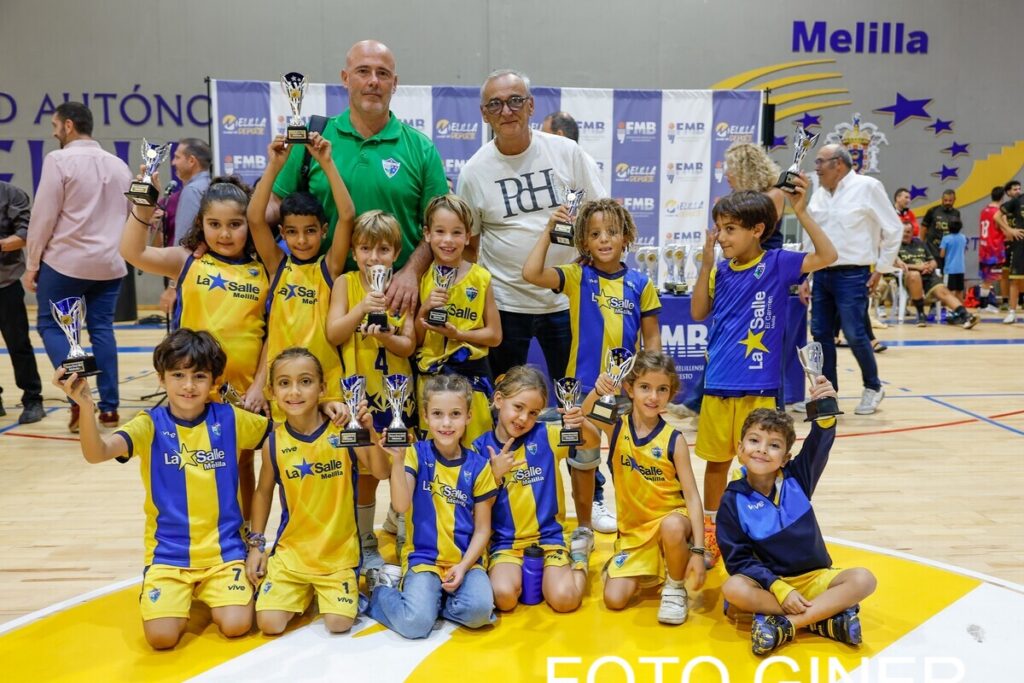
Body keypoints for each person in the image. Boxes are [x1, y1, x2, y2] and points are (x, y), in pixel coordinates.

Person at [52, 329, 270, 649]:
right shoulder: (149, 424)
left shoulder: (231, 418)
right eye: (178, 375)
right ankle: (172, 592)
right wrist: (85, 405)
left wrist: (323, 411)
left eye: (199, 376)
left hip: (224, 554)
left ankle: (209, 590)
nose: (188, 385)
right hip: (168, 555)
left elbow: (284, 438)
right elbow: (96, 452)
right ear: (161, 378)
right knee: (161, 638)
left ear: (213, 381)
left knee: (237, 626)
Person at [691, 180, 837, 569]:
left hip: (758, 387)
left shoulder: (777, 263)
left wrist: (801, 211)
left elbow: (828, 254)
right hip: (717, 384)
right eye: (719, 229)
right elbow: (697, 313)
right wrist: (706, 264)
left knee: (760, 465)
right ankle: (710, 532)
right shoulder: (719, 268)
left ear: (757, 230)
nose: (721, 237)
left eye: (729, 229)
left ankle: (760, 530)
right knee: (716, 465)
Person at [122, 177, 269, 518]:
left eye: (235, 224)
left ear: (251, 224)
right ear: (200, 224)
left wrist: (261, 384)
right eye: (214, 224)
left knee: (243, 462)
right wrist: (145, 202)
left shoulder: (265, 269)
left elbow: (271, 335)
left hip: (245, 390)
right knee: (198, 463)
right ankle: (203, 529)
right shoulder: (187, 260)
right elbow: (132, 252)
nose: (225, 234)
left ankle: (245, 533)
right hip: (195, 386)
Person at [270, 39, 448, 315]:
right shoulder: (311, 138)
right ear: (345, 78)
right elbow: (273, 206)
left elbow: (437, 229)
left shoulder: (422, 149)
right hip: (322, 294)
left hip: (394, 298)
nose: (373, 81)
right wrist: (217, 233)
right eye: (363, 71)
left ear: (395, 83)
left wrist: (411, 272)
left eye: (383, 73)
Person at [523, 197, 661, 546]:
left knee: (626, 461)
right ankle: (583, 526)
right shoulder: (576, 276)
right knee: (583, 462)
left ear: (626, 237)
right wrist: (549, 231)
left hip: (625, 394)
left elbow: (653, 340)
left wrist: (651, 386)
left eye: (612, 232)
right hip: (582, 392)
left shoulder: (641, 283)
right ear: (583, 240)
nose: (604, 239)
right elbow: (531, 273)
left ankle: (634, 524)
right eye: (595, 233)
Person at [458, 69, 606, 383]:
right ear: (485, 115)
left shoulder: (567, 153)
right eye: (495, 105)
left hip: (567, 301)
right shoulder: (473, 172)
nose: (507, 111)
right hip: (505, 302)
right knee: (505, 396)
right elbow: (469, 244)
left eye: (515, 101)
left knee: (577, 395)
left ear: (531, 106)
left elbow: (600, 214)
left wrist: (596, 269)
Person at [718, 379, 877, 656]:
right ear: (740, 449)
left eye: (774, 445)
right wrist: (779, 588)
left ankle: (787, 624)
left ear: (785, 457)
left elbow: (820, 442)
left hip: (814, 578)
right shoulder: (732, 500)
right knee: (733, 589)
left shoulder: (798, 478)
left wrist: (825, 405)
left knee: (865, 579)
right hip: (771, 584)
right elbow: (738, 561)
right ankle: (824, 618)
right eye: (754, 441)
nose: (762, 449)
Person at [246, 348, 388, 636]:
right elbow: (262, 493)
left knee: (339, 624)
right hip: (292, 554)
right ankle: (304, 591)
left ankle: (331, 591)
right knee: (269, 624)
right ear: (272, 391)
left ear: (322, 388)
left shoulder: (344, 432)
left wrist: (369, 431)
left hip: (338, 557)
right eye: (285, 383)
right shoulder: (273, 443)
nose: (295, 391)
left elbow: (382, 472)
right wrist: (256, 545)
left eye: (306, 381)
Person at [23, 102, 132, 432]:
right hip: (110, 264)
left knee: (53, 327)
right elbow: (131, 216)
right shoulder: (119, 165)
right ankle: (110, 409)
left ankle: (78, 400)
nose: (54, 131)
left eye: (55, 125)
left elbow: (43, 217)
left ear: (69, 125)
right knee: (102, 330)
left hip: (66, 263)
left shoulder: (58, 160)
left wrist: (31, 264)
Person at [367, 374, 498, 640]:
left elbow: (483, 530)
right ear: (425, 416)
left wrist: (462, 568)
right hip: (423, 559)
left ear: (469, 417)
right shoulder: (416, 453)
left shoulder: (479, 466)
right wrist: (397, 460)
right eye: (437, 414)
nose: (446, 422)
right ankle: (379, 592)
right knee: (415, 625)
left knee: (480, 612)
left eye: (455, 414)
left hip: (465, 562)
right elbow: (402, 505)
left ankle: (429, 604)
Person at [581, 351, 707, 625]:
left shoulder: (675, 440)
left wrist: (699, 550)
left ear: (671, 393)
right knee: (614, 600)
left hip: (671, 522)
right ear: (629, 389)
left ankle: (675, 586)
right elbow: (587, 412)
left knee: (672, 527)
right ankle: (657, 562)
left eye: (662, 389)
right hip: (634, 535)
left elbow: (694, 499)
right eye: (645, 387)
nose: (653, 397)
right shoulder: (616, 427)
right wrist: (598, 389)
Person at [537, 110, 615, 535]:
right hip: (526, 298)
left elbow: (603, 212)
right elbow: (533, 272)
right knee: (554, 417)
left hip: (569, 306)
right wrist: (549, 232)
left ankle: (596, 501)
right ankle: (535, 505)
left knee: (592, 428)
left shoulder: (578, 167)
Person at [326, 209, 418, 570]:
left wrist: (388, 335)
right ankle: (365, 540)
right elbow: (334, 333)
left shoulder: (401, 288)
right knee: (365, 473)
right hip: (359, 398)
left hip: (397, 398)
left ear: (396, 253)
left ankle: (404, 529)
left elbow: (409, 344)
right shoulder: (345, 285)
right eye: (366, 249)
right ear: (353, 251)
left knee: (402, 466)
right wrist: (362, 308)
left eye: (382, 250)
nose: (374, 257)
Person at [473, 366, 602, 613]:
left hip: (549, 539)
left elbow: (593, 442)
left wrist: (581, 422)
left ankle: (579, 558)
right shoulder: (479, 449)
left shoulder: (548, 436)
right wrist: (494, 476)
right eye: (518, 407)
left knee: (566, 600)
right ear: (499, 400)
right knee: (503, 598)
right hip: (505, 544)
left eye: (533, 413)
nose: (524, 419)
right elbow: (475, 508)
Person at [248, 134, 354, 415]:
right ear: (282, 233)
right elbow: (255, 218)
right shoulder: (277, 264)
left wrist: (327, 164)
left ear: (324, 231)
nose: (302, 240)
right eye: (292, 232)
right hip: (283, 386)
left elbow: (347, 215)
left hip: (326, 387)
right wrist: (274, 166)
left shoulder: (329, 267)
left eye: (310, 231)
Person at [801, 144, 901, 416]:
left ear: (839, 164)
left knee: (856, 333)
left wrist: (881, 268)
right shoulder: (819, 194)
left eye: (820, 162)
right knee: (820, 335)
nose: (816, 168)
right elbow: (810, 234)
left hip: (853, 274)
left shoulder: (868, 187)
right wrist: (804, 275)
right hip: (822, 274)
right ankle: (827, 395)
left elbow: (894, 228)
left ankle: (873, 386)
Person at [415, 194, 502, 446]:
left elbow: (495, 336)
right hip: (431, 382)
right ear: (427, 234)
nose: (448, 240)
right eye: (440, 231)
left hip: (471, 379)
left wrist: (459, 335)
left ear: (467, 236)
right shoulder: (422, 278)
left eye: (456, 232)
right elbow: (415, 342)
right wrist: (423, 311)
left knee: (476, 454)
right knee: (435, 459)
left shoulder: (481, 278)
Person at [0, 180, 44, 424]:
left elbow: (27, 233)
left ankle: (32, 399)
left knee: (18, 344)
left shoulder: (11, 194)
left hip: (6, 283)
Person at [156, 138, 213, 315]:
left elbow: (184, 244)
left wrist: (173, 286)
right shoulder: (213, 186)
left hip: (191, 278)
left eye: (177, 157)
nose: (173, 162)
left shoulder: (192, 191)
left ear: (191, 161)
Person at [896, 222, 979, 329]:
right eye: (903, 232)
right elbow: (894, 264)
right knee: (915, 275)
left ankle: (966, 316)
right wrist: (918, 267)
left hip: (928, 275)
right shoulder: (895, 245)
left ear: (912, 233)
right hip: (908, 276)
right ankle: (921, 314)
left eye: (908, 232)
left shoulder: (920, 243)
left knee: (943, 291)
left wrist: (930, 267)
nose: (905, 234)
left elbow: (933, 261)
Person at [723, 142, 787, 250]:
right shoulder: (735, 195)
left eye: (730, 169)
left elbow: (752, 229)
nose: (726, 174)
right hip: (740, 256)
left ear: (745, 170)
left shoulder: (774, 194)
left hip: (766, 256)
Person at [996, 179, 1024, 323]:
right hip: (1018, 244)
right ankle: (1012, 311)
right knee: (1014, 278)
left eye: (1019, 188)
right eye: (1015, 188)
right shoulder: (1018, 201)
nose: (1017, 190)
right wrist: (1009, 230)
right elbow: (996, 216)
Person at [978, 186, 1008, 312]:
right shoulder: (999, 212)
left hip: (984, 247)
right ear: (1003, 197)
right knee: (990, 278)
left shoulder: (984, 210)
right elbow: (1005, 230)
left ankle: (984, 304)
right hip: (994, 248)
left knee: (986, 277)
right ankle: (984, 305)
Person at [921, 189, 961, 267]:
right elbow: (923, 228)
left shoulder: (956, 213)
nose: (947, 203)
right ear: (942, 199)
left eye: (950, 200)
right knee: (935, 274)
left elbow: (956, 231)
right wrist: (922, 245)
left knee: (946, 274)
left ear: (954, 200)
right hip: (933, 248)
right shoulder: (932, 211)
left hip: (948, 250)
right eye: (945, 200)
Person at [939, 218, 967, 300]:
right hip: (961, 268)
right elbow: (964, 251)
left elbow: (942, 254)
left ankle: (950, 309)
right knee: (960, 290)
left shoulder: (946, 238)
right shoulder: (963, 237)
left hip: (949, 269)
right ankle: (960, 309)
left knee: (949, 290)